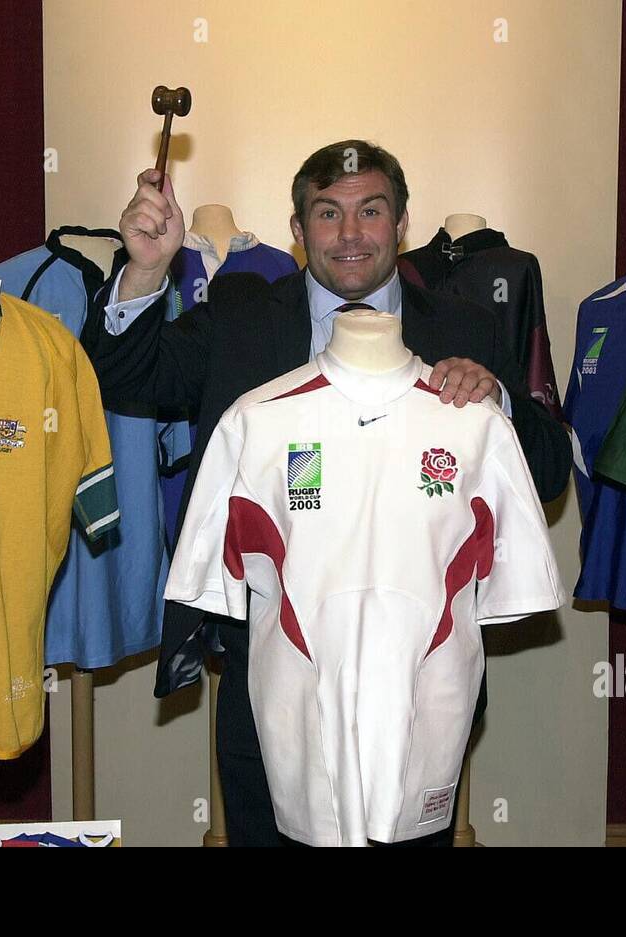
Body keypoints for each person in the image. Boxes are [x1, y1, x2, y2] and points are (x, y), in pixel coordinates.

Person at [80, 139, 571, 845]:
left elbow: (549, 470)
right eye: (327, 213)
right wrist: (146, 269)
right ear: (297, 227)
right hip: (271, 687)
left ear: (402, 225)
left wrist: (499, 399)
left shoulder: (466, 329)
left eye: (370, 212)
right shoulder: (239, 318)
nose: (349, 234)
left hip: (420, 694)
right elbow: (128, 378)